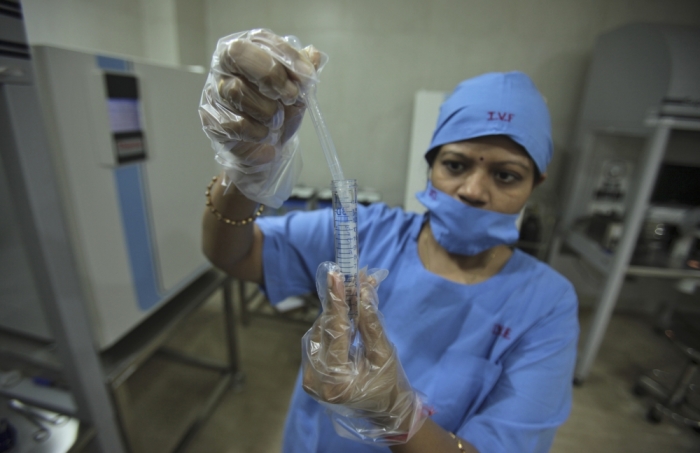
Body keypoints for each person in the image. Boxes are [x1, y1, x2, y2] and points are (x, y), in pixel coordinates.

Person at [200, 29, 579, 453]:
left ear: (536, 183)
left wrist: (396, 413)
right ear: (431, 165)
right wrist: (244, 173)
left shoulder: (547, 304)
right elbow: (235, 254)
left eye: (505, 174)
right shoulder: (369, 230)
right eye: (455, 164)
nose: (473, 190)